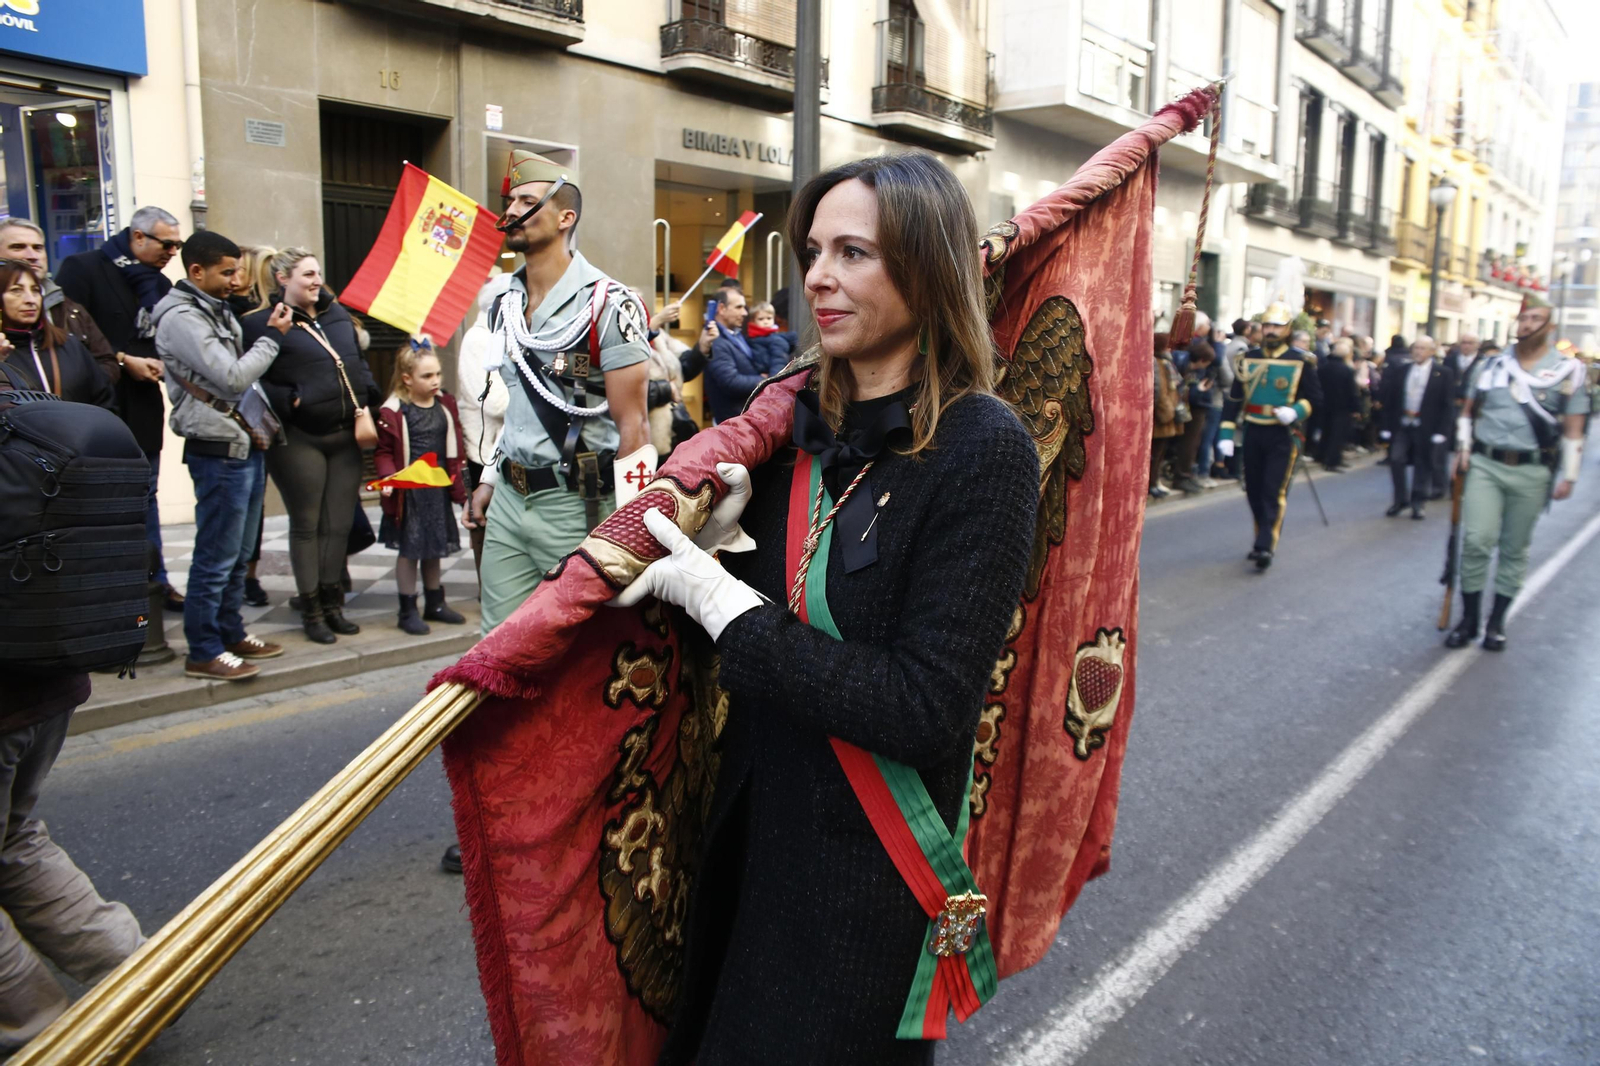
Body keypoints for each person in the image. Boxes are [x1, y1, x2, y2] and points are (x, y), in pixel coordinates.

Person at [617, 151, 1038, 1066]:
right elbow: (764, 637)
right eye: (813, 250)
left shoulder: (984, 449)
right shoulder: (801, 422)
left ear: (925, 269)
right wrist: (720, 560)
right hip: (749, 854)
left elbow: (926, 708)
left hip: (861, 888)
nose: (817, 276)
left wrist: (724, 601)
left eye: (854, 252)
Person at [154, 231, 293, 681]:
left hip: (242, 439)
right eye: (227, 272)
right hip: (215, 446)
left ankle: (230, 632)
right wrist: (271, 338)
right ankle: (203, 649)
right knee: (215, 554)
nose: (237, 280)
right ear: (196, 271)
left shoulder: (212, 308)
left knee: (237, 553)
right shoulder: (181, 318)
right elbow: (233, 377)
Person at [0, 674, 145, 1051]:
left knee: (13, 839)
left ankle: (42, 1035)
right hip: (47, 683)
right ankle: (140, 977)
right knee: (13, 840)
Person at [242, 248, 380, 645]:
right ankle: (312, 609)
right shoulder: (262, 323)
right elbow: (255, 377)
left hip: (344, 436)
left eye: (318, 272)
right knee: (308, 525)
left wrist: (367, 392)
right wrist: (291, 400)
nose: (316, 280)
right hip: (298, 438)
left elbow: (356, 360)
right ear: (283, 279)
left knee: (337, 526)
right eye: (306, 275)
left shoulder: (338, 315)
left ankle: (333, 603)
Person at [55, 205, 184, 613]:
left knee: (145, 497)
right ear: (138, 237)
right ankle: (107, 591)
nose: (173, 252)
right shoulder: (84, 268)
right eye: (168, 243)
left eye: (178, 245)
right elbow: (68, 338)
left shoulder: (159, 284)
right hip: (96, 408)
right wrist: (126, 359)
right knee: (98, 502)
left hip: (143, 406)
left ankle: (154, 582)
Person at [1444, 296, 1588, 651]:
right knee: (1476, 540)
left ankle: (1496, 623)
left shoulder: (1568, 370)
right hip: (1485, 465)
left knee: (1514, 548)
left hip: (1532, 469)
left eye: (1535, 318)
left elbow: (1573, 427)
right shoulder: (1491, 366)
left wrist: (1569, 474)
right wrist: (1462, 449)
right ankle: (1469, 619)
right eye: (1523, 318)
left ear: (1550, 327)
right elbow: (1467, 411)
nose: (1526, 324)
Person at [1217, 302, 1323, 570]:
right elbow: (1235, 399)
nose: (1272, 331)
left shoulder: (1302, 360)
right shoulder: (1248, 358)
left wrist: (1296, 411)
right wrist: (1227, 433)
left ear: (1287, 329)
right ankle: (1261, 536)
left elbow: (1315, 399)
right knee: (1253, 489)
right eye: (1268, 326)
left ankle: (1265, 546)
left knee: (1272, 490)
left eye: (1277, 326)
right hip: (1253, 429)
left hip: (1283, 433)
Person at [376, 339, 469, 636]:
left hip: (437, 487)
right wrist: (390, 478)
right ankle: (407, 608)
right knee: (410, 549)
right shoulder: (395, 411)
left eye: (437, 374)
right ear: (407, 379)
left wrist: (459, 483)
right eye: (427, 376)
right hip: (410, 492)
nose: (435, 381)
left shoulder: (444, 404)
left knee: (434, 547)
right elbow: (384, 452)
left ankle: (435, 602)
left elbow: (455, 445)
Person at [0, 218, 120, 391]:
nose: (32, 256)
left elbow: (106, 362)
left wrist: (82, 395)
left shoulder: (70, 308)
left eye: (38, 248)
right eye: (18, 247)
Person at [224, 243, 279, 607]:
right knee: (235, 521)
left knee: (251, 511)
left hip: (264, 419)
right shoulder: (242, 318)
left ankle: (248, 576)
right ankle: (243, 581)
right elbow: (234, 375)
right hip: (239, 420)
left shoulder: (278, 312)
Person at [457, 274, 514, 574]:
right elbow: (493, 403)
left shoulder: (501, 336)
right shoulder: (478, 340)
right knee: (488, 536)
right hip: (485, 454)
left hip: (505, 449)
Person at [0, 262, 116, 408]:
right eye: (16, 291)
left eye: (35, 290)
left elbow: (104, 399)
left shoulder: (69, 344)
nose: (30, 300)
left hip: (77, 430)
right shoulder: (2, 354)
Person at [1377, 335, 1453, 518]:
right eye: (1416, 348)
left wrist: (1442, 431)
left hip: (1426, 425)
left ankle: (1418, 502)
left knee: (1422, 463)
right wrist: (1386, 426)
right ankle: (1400, 499)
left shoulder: (1443, 373)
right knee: (1396, 459)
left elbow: (1447, 405)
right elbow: (1392, 399)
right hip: (1403, 423)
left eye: (1423, 348)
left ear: (1431, 352)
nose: (1418, 352)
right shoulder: (1402, 370)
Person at [704, 287, 766, 423]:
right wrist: (764, 380)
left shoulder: (737, 335)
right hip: (733, 423)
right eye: (739, 307)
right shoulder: (716, 341)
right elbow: (730, 381)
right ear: (721, 308)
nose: (744, 313)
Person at [1319, 337, 1359, 471]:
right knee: (1337, 435)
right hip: (1342, 407)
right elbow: (1352, 390)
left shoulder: (1323, 367)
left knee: (1327, 432)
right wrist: (1356, 408)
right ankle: (1332, 461)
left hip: (1325, 405)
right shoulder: (1346, 370)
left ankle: (1321, 456)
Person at [1150, 331, 1183, 497]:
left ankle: (1155, 481)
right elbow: (1158, 390)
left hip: (1166, 412)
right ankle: (1152, 483)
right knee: (1155, 453)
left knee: (1160, 452)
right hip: (1161, 415)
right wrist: (1166, 412)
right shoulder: (1157, 362)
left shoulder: (1166, 362)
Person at [745, 299, 796, 374]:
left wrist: (771, 381)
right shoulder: (751, 337)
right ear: (753, 321)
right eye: (761, 319)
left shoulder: (776, 340)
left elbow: (778, 362)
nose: (766, 322)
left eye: (769, 318)